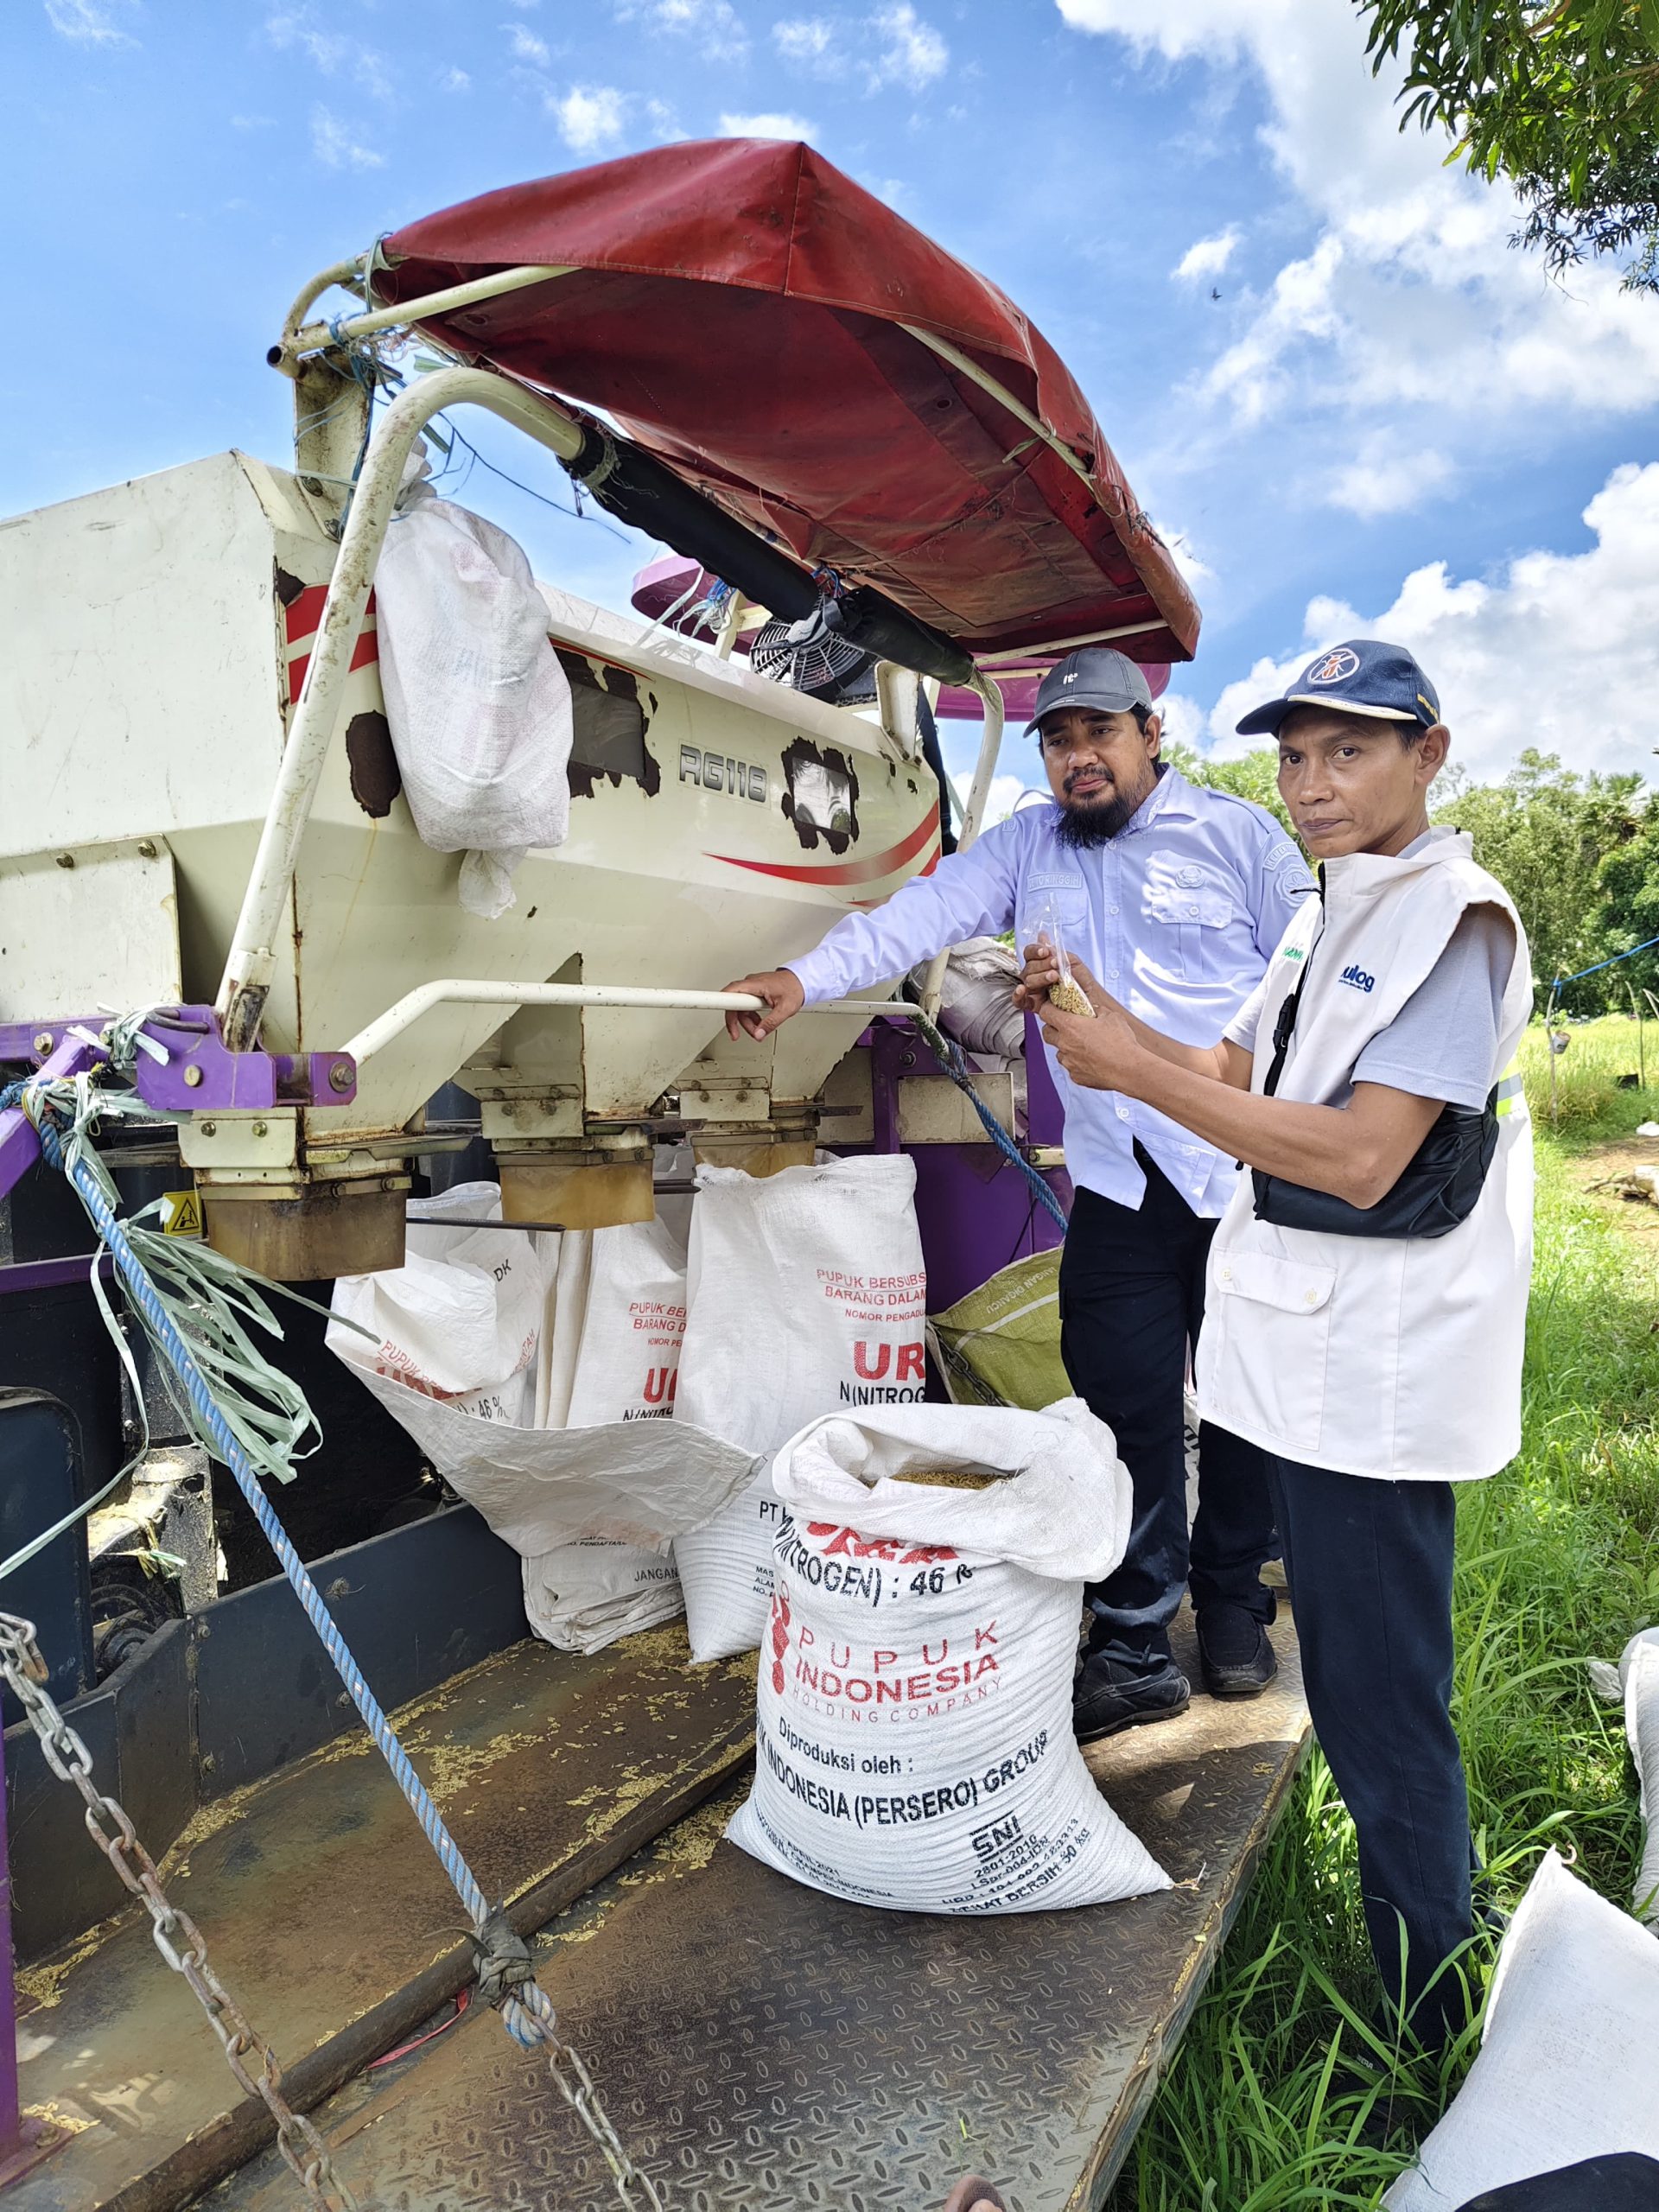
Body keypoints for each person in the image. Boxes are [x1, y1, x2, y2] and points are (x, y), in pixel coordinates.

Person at [1027, 639, 1533, 2044]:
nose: (1313, 782)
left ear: (1427, 757)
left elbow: (1369, 1158)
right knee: (1369, 1707)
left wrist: (1132, 1074)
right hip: (1303, 1371)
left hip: (1377, 1386)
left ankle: (1434, 2031)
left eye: (1351, 750)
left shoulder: (1456, 921)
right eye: (1296, 753)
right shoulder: (1324, 918)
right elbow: (1224, 1073)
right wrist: (1097, 1019)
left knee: (1382, 1719)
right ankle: (1432, 1981)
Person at [722, 645, 1317, 1739]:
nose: (1077, 757)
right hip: (1118, 1180)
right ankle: (1137, 1635)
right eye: (1057, 738)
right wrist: (801, 981)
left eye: (1099, 732)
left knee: (1244, 1403)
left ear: (1149, 733)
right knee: (1124, 1402)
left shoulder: (1238, 838)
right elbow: (918, 916)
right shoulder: (1026, 848)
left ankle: (1234, 1604)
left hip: (1237, 1172)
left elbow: (1309, 978)